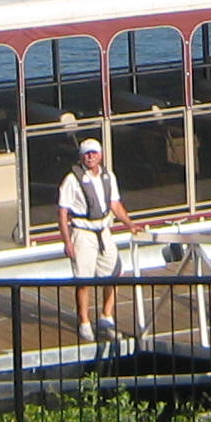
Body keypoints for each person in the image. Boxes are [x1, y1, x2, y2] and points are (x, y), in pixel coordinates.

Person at [56, 133, 139, 344]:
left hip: (104, 231)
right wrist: (67, 242)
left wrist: (130, 224)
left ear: (100, 155)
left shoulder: (108, 176)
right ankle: (84, 321)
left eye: (94, 153)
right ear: (81, 157)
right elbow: (63, 212)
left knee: (114, 273)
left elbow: (115, 205)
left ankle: (106, 316)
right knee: (84, 279)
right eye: (86, 154)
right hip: (83, 232)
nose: (90, 157)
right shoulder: (71, 180)